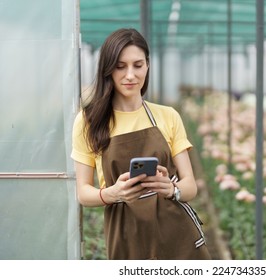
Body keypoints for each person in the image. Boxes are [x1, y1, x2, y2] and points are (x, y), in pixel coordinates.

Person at [71, 28, 211, 260]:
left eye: (138, 65)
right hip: (126, 236)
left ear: (147, 65)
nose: (130, 75)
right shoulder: (89, 122)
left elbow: (191, 187)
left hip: (178, 237)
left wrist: (171, 189)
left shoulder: (168, 116)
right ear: (107, 69)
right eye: (120, 66)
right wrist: (113, 193)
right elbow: (83, 193)